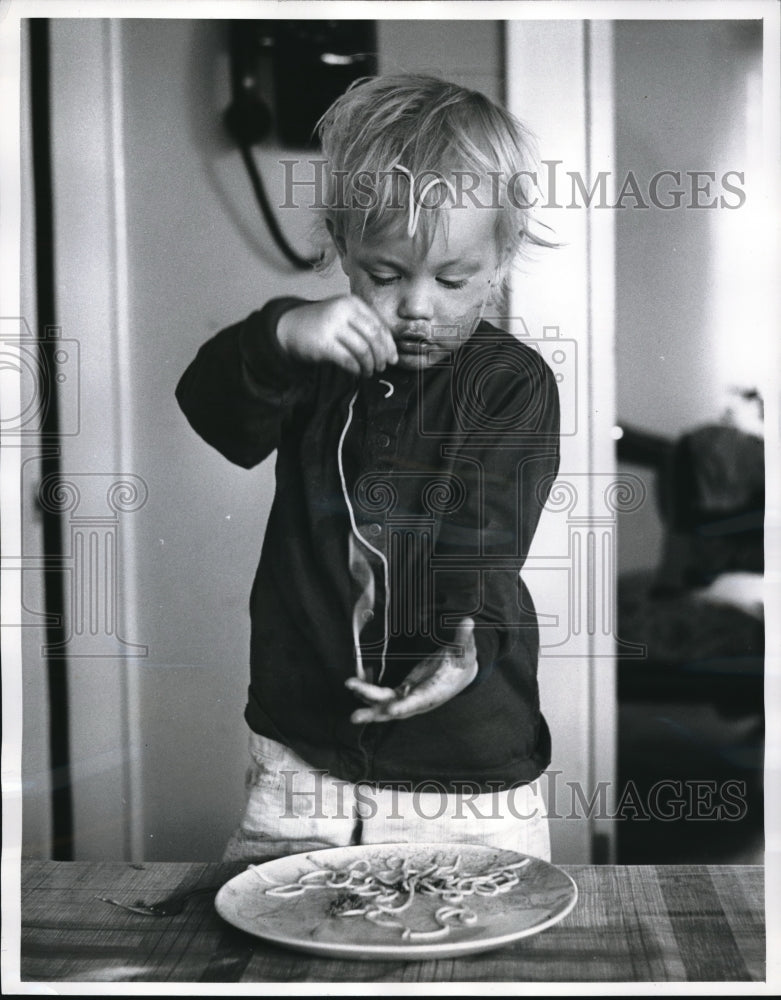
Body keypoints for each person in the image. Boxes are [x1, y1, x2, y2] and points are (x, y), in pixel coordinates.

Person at [176, 74, 561, 862]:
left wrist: (460, 644)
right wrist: (276, 335)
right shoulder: (317, 360)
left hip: (466, 765)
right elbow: (215, 415)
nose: (416, 306)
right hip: (299, 756)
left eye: (451, 280)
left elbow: (483, 537)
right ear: (342, 249)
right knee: (282, 954)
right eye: (385, 275)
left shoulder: (512, 383)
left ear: (501, 258)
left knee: (477, 965)